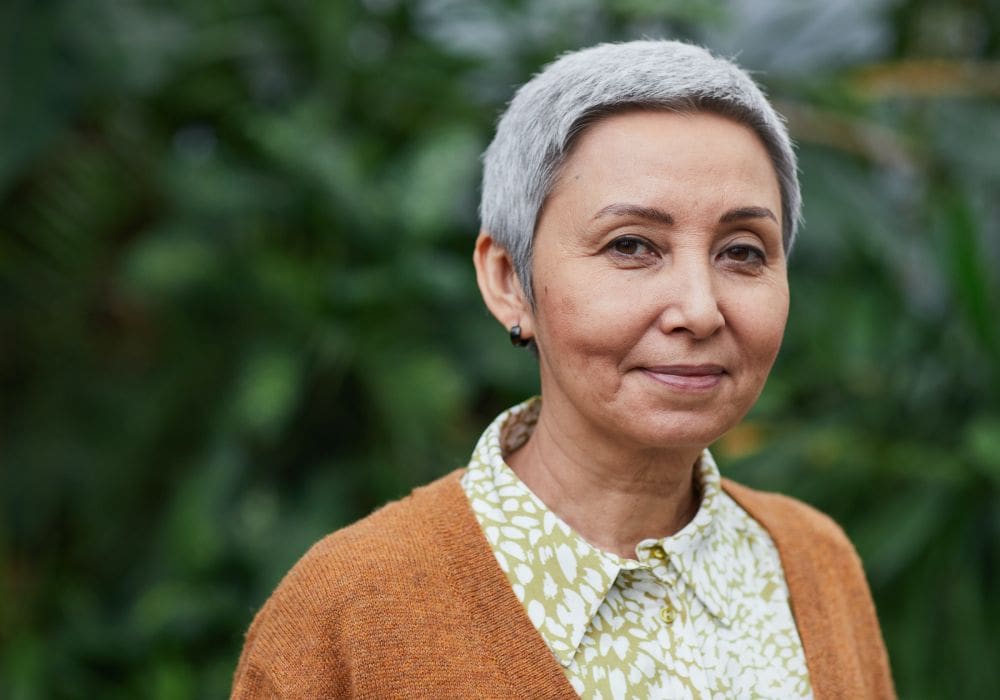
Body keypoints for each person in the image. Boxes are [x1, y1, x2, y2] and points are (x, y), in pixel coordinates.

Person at [231, 40, 894, 699]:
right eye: (631, 245)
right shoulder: (348, 615)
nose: (699, 310)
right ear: (508, 281)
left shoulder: (814, 565)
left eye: (743, 252)